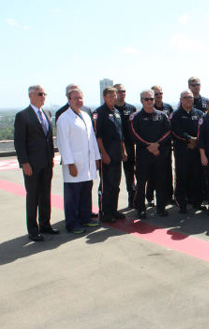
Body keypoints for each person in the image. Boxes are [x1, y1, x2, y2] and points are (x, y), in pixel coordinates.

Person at [14, 85, 58, 242]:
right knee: (33, 196)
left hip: (46, 162)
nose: (43, 96)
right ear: (31, 95)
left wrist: (51, 158)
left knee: (45, 195)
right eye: (40, 94)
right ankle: (32, 229)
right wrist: (24, 162)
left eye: (45, 93)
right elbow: (19, 142)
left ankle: (45, 224)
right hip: (32, 164)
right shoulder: (23, 116)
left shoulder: (47, 113)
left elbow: (48, 138)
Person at [57, 88, 101, 234]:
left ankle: (85, 218)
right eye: (75, 98)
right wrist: (70, 163)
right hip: (74, 164)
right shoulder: (64, 118)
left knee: (86, 192)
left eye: (80, 98)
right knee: (72, 196)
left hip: (87, 163)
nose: (78, 101)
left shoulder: (86, 116)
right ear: (69, 100)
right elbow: (63, 143)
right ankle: (72, 224)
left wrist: (96, 158)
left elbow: (92, 140)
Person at [130, 90, 172, 218]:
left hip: (159, 154)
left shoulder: (162, 116)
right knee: (142, 182)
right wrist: (149, 146)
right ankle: (141, 208)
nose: (149, 101)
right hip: (143, 155)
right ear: (141, 101)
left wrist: (157, 144)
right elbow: (134, 134)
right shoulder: (135, 117)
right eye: (146, 99)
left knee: (160, 181)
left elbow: (168, 132)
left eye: (151, 99)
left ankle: (161, 207)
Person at [93, 87, 127, 223]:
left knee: (115, 183)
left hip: (117, 153)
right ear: (104, 97)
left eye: (114, 95)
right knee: (106, 184)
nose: (113, 98)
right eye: (110, 96)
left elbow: (120, 134)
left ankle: (113, 209)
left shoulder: (117, 112)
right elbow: (98, 135)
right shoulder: (99, 113)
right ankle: (105, 212)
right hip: (106, 153)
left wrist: (123, 151)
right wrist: (103, 153)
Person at [171, 90, 206, 213]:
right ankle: (181, 203)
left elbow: (203, 129)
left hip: (196, 150)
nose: (188, 99)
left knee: (197, 176)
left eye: (190, 97)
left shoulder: (200, 113)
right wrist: (188, 139)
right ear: (181, 99)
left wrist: (196, 141)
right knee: (182, 177)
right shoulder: (176, 114)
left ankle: (197, 202)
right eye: (186, 97)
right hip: (182, 150)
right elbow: (175, 131)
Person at [146, 85, 175, 206]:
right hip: (153, 147)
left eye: (160, 94)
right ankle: (150, 197)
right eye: (156, 94)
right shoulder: (150, 108)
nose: (159, 96)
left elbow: (171, 126)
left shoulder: (168, 107)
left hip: (166, 145)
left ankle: (168, 196)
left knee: (167, 172)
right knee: (152, 173)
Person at [114, 83, 137, 209]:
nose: (121, 93)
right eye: (119, 91)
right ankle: (112, 206)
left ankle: (132, 200)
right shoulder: (110, 109)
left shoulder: (132, 109)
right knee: (114, 177)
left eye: (123, 91)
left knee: (130, 175)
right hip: (114, 147)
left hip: (129, 146)